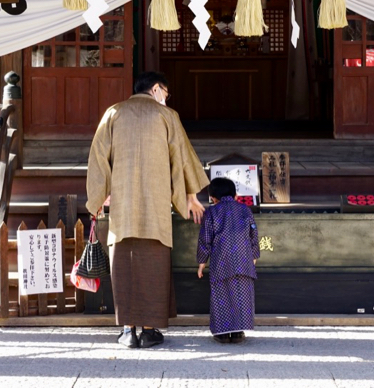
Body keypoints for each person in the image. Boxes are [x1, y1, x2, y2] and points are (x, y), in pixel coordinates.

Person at [86, 71, 209, 349]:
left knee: (124, 264)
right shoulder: (168, 117)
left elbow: (98, 156)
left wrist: (101, 194)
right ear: (156, 89)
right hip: (155, 206)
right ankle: (151, 330)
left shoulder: (114, 113)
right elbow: (182, 157)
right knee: (154, 264)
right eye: (166, 92)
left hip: (123, 207)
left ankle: (128, 330)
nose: (167, 98)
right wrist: (190, 196)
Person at [197, 177, 260, 344]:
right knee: (242, 294)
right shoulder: (245, 210)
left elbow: (205, 239)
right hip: (244, 260)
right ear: (234, 194)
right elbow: (253, 234)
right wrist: (253, 256)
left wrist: (202, 263)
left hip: (221, 261)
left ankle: (223, 333)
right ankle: (239, 332)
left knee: (222, 294)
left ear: (213, 196)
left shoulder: (211, 212)